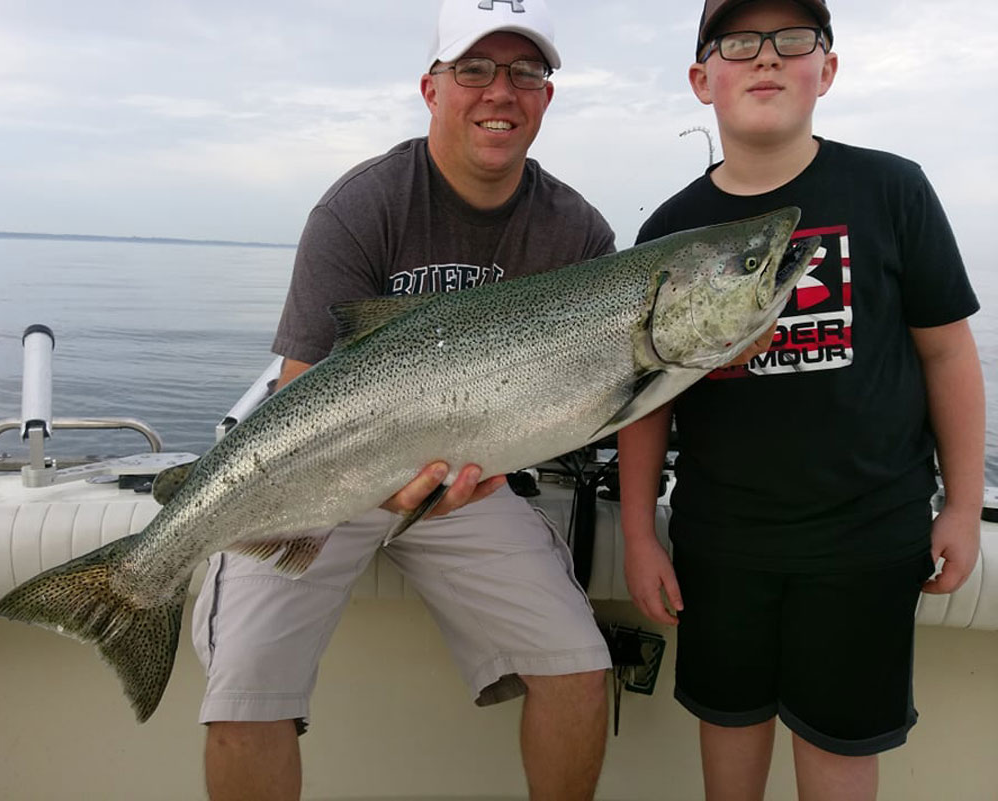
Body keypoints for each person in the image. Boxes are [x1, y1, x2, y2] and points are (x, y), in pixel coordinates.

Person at [192, 1, 617, 799]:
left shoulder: (580, 236)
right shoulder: (359, 207)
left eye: (527, 71)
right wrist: (369, 483)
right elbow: (298, 394)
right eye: (475, 68)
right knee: (245, 695)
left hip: (469, 484)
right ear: (431, 87)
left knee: (580, 667)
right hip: (323, 471)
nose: (502, 91)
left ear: (547, 97)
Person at [618, 1, 984, 800]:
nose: (767, 59)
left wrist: (960, 504)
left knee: (841, 759)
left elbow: (947, 350)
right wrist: (641, 534)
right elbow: (646, 401)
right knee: (731, 755)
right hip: (722, 543)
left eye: (793, 40)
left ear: (829, 67)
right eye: (740, 41)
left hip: (869, 537)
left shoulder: (893, 188)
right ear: (700, 77)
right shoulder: (670, 228)